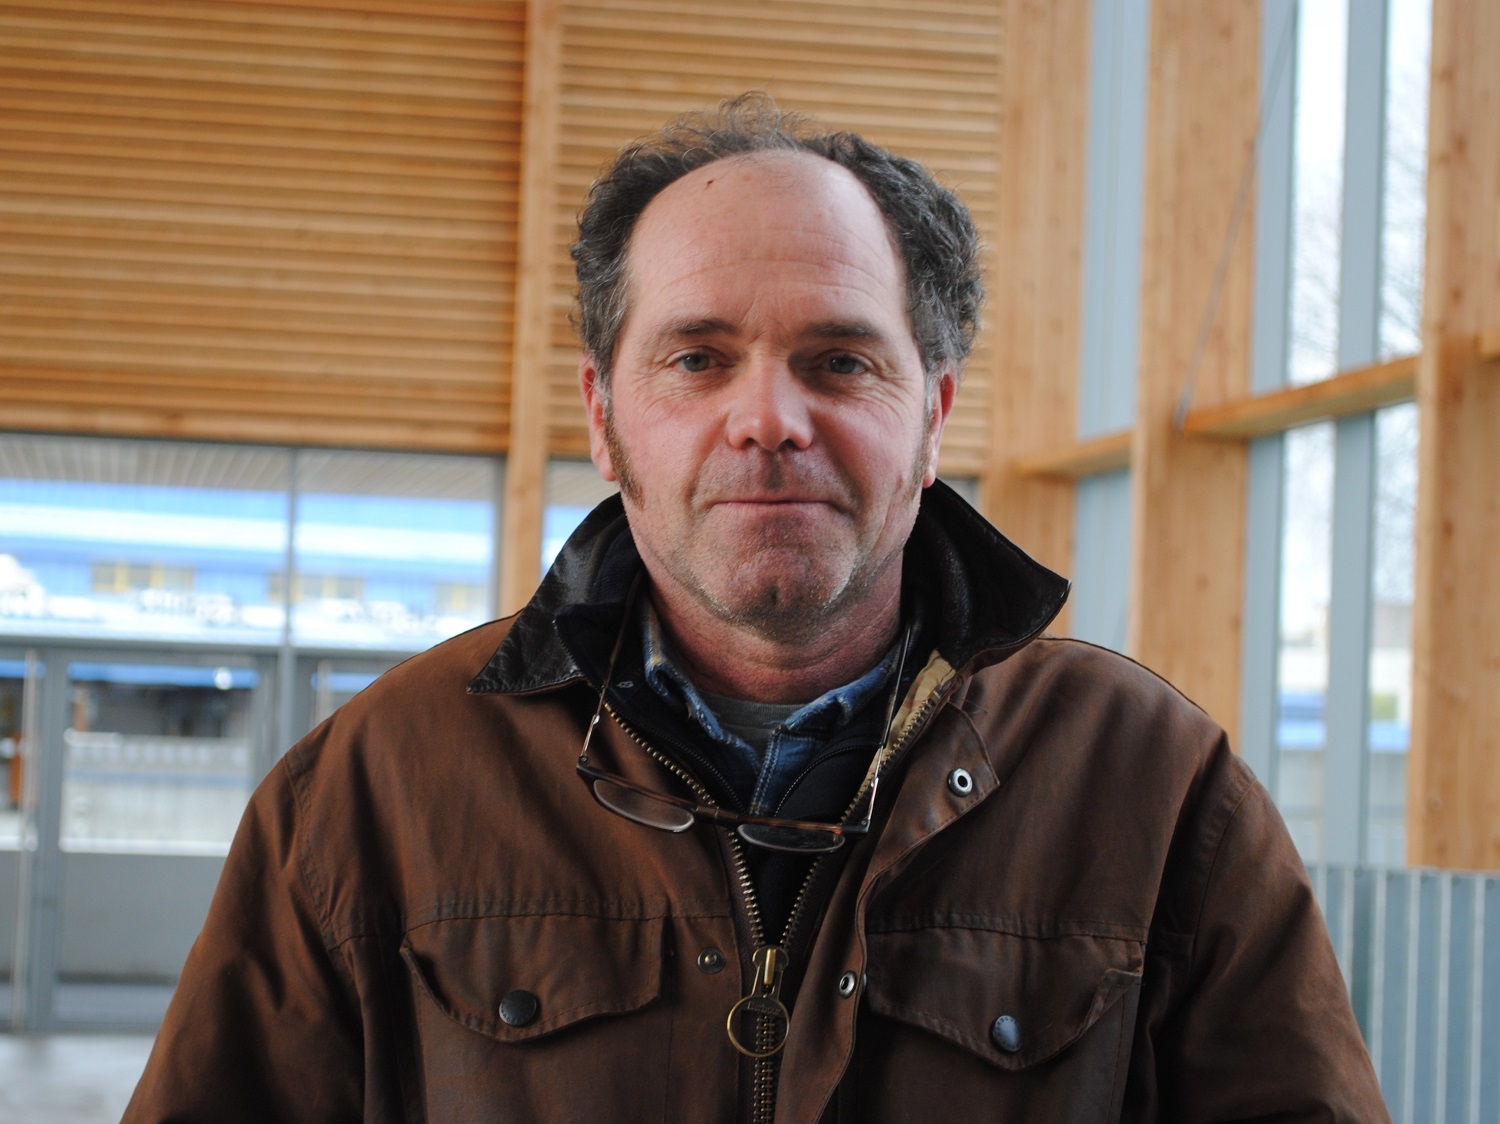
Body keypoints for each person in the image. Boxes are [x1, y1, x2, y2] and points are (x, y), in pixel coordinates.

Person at [125, 94, 1389, 1123]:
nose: (769, 419)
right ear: (606, 417)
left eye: (841, 360)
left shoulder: (1155, 788)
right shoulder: (377, 786)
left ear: (934, 415)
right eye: (697, 357)